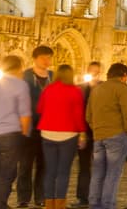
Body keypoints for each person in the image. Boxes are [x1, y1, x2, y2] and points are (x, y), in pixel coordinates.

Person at [0, 54, 34, 209]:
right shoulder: (20, 85)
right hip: (9, 134)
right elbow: (24, 113)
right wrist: (25, 134)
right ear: (18, 68)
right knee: (6, 173)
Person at [84, 64, 127, 209]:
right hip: (117, 135)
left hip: (98, 136)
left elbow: (88, 115)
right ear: (124, 75)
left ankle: (94, 203)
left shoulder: (96, 89)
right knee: (112, 173)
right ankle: (108, 205)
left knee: (97, 172)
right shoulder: (123, 88)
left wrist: (96, 129)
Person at [37, 64, 87, 209]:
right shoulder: (75, 91)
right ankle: (59, 205)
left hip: (47, 133)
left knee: (50, 171)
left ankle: (49, 204)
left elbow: (40, 109)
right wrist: (82, 134)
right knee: (63, 172)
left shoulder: (48, 89)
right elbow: (78, 115)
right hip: (68, 134)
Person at [16, 45, 55, 208]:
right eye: (44, 57)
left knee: (43, 165)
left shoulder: (53, 76)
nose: (47, 61)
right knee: (25, 164)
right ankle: (23, 197)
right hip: (28, 127)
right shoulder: (25, 76)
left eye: (49, 58)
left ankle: (40, 196)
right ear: (35, 58)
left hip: (48, 127)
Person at [76, 62, 101, 206]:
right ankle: (83, 197)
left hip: (100, 132)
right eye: (92, 72)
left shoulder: (104, 88)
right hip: (85, 132)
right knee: (84, 166)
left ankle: (96, 196)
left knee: (99, 166)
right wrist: (81, 133)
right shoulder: (81, 89)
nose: (94, 75)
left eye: (97, 72)